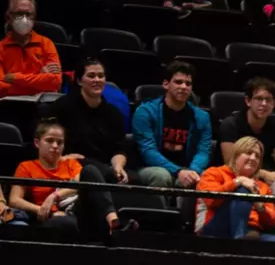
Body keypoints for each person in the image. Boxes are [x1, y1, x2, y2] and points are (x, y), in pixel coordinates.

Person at [9, 120, 123, 236]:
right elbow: (14, 200)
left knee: (90, 170)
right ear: (37, 143)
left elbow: (84, 181)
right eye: (49, 140)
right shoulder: (26, 167)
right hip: (52, 218)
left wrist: (54, 196)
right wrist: (43, 210)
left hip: (79, 209)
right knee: (65, 222)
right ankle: (114, 228)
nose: (55, 146)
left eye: (60, 142)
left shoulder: (70, 164)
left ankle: (112, 219)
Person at [45, 58, 131, 192]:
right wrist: (62, 157)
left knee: (135, 180)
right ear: (79, 81)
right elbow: (46, 141)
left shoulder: (114, 113)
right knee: (98, 172)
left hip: (104, 167)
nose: (97, 80)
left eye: (101, 76)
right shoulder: (61, 107)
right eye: (91, 76)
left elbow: (118, 149)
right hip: (70, 164)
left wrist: (118, 167)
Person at [132, 60, 214, 191]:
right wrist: (178, 171)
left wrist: (193, 171)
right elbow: (148, 151)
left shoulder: (202, 117)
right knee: (161, 176)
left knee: (208, 178)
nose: (184, 87)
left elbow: (203, 151)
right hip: (150, 167)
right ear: (166, 84)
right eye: (178, 82)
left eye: (188, 84)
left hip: (187, 168)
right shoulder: (145, 112)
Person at [194, 136, 275, 239]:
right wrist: (238, 182)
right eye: (248, 153)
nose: (253, 158)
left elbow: (272, 222)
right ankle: (239, 242)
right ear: (236, 155)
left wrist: (260, 205)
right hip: (215, 227)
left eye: (257, 156)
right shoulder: (213, 173)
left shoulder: (263, 186)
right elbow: (211, 200)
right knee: (243, 191)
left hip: (252, 229)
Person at [220, 78, 275, 183]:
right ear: (248, 101)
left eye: (268, 100)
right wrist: (264, 174)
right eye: (259, 99)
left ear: (274, 103)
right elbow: (231, 164)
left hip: (267, 180)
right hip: (233, 178)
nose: (264, 104)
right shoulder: (230, 125)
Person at [0, 0, 61, 100]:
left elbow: (55, 82)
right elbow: (1, 88)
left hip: (42, 104)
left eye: (28, 14)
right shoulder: (1, 47)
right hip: (9, 105)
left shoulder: (46, 44)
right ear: (8, 17)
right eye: (19, 14)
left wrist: (15, 77)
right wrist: (39, 77)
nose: (24, 19)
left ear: (34, 18)